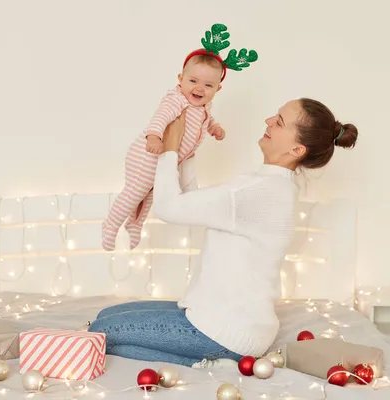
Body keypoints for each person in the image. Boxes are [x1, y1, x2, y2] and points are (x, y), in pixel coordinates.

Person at [89, 98, 359, 369]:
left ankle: (208, 364)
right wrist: (187, 150)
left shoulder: (256, 193)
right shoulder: (276, 189)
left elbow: (169, 207)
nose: (268, 121)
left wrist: (169, 149)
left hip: (220, 332)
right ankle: (208, 362)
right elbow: (192, 203)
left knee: (98, 332)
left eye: (279, 122)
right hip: (239, 328)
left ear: (296, 148)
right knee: (106, 316)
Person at [101, 23, 258, 251]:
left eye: (208, 85)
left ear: (217, 89)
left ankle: (135, 224)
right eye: (193, 81)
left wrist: (215, 127)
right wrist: (154, 137)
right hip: (146, 155)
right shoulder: (176, 100)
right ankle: (109, 226)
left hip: (164, 161)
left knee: (151, 194)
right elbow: (161, 117)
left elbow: (206, 120)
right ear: (180, 79)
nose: (199, 89)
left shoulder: (204, 108)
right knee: (134, 192)